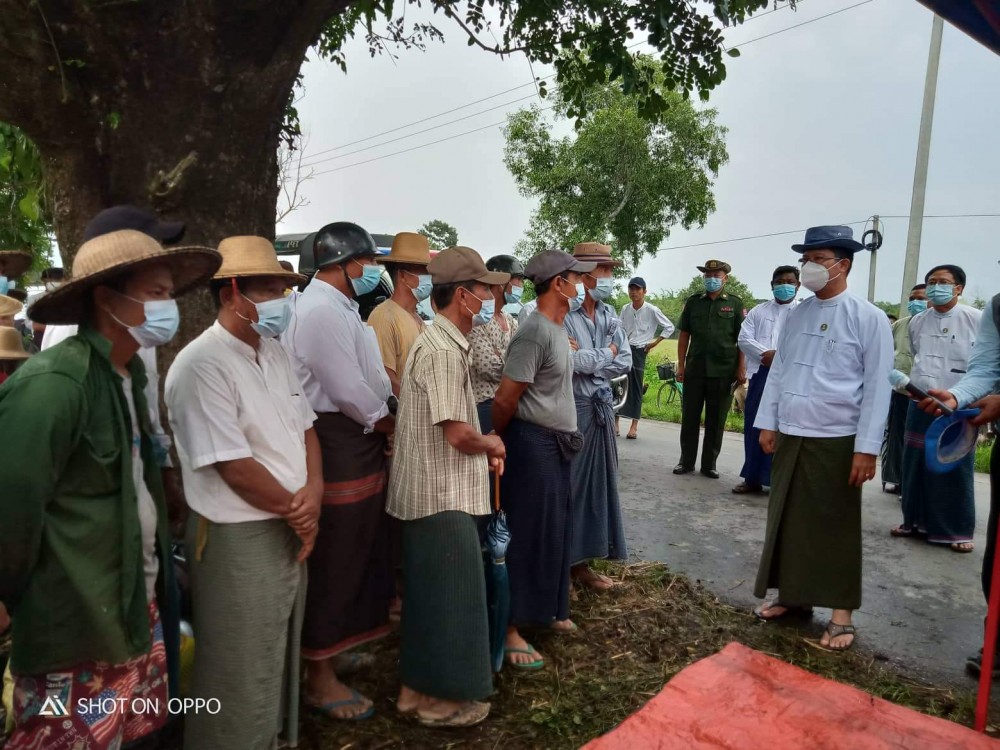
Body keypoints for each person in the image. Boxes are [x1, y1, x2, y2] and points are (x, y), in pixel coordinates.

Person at [0, 228, 220, 749]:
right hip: (74, 623)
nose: (168, 306)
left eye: (170, 293)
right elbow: (11, 508)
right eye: (155, 292)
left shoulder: (129, 376)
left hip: (131, 607)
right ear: (106, 299)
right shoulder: (56, 386)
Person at [165, 236, 320, 750]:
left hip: (288, 522)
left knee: (274, 646)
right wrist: (299, 513)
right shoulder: (201, 364)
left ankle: (268, 737)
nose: (282, 300)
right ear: (233, 291)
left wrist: (314, 494)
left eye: (283, 289)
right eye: (270, 290)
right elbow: (232, 465)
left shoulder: (273, 353)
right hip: (240, 535)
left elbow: (306, 429)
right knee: (238, 661)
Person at [752, 225, 893, 651]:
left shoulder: (868, 318)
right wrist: (768, 422)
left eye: (818, 259)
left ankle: (841, 615)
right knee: (788, 519)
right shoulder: (796, 314)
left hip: (837, 437)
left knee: (834, 526)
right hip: (791, 431)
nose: (809, 267)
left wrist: (867, 448)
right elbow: (780, 370)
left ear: (842, 265)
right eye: (806, 259)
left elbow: (878, 387)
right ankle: (793, 598)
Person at [388, 247, 508, 728]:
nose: (490, 297)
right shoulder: (441, 351)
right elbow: (457, 434)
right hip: (441, 497)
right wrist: (490, 441)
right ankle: (440, 700)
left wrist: (482, 444)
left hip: (435, 492)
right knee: (451, 601)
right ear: (462, 295)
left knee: (428, 598)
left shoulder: (443, 342)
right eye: (483, 290)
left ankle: (413, 692)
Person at [282, 221, 394, 720]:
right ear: (343, 264)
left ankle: (337, 647)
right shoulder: (321, 311)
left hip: (356, 436)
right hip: (337, 438)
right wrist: (388, 423)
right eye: (366, 262)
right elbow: (348, 390)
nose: (371, 270)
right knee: (337, 557)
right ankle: (318, 673)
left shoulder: (342, 306)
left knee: (357, 549)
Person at [492, 249, 594, 669]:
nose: (582, 285)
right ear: (558, 283)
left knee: (553, 531)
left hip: (555, 445)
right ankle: (511, 628)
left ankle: (548, 610)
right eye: (576, 278)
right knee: (527, 534)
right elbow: (505, 399)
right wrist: (496, 439)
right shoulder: (533, 332)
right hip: (532, 446)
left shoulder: (556, 328)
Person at [919, 290, 1000, 676]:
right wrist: (956, 396)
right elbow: (985, 369)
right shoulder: (998, 306)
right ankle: (998, 642)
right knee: (998, 557)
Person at [890, 265, 981, 552]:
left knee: (953, 464)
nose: (935, 287)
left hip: (959, 404)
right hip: (920, 401)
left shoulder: (976, 319)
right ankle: (912, 521)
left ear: (958, 288)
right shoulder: (917, 321)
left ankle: (957, 530)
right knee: (914, 462)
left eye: (943, 282)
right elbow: (917, 355)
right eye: (931, 282)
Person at [564, 242, 631, 591]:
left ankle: (584, 563)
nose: (609, 277)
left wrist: (593, 358)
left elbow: (626, 360)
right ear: (585, 274)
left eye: (610, 271)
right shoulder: (564, 313)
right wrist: (607, 352)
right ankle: (564, 564)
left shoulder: (610, 314)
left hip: (600, 405)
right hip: (573, 409)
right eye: (604, 271)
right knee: (571, 487)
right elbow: (568, 362)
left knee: (597, 488)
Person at [674, 259, 747, 478]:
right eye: (708, 275)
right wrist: (681, 365)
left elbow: (742, 340)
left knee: (716, 421)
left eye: (716, 275)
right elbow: (684, 335)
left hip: (724, 371)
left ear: (726, 278)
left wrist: (741, 368)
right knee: (690, 418)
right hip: (695, 369)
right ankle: (686, 462)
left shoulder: (735, 304)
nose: (711, 279)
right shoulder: (693, 302)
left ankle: (709, 464)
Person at [734, 266, 801, 494]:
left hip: (792, 375)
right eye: (780, 282)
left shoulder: (803, 312)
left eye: (790, 282)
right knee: (755, 425)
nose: (785, 286)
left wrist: (780, 357)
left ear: (798, 285)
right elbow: (744, 339)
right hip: (761, 373)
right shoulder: (758, 311)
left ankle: (780, 481)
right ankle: (752, 478)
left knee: (786, 428)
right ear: (772, 285)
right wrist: (766, 355)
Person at [368, 232, 432, 396]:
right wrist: (418, 403)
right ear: (403, 275)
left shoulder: (417, 318)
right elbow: (385, 378)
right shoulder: (384, 317)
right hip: (405, 410)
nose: (429, 278)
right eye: (424, 272)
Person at [881, 284, 928, 493]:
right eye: (912, 298)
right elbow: (887, 353)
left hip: (925, 394)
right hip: (900, 391)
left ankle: (915, 484)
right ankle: (897, 479)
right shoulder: (900, 325)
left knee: (919, 440)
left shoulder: (934, 325)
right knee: (897, 436)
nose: (915, 302)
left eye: (921, 298)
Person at [469, 254, 523, 433]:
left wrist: (500, 354)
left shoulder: (510, 320)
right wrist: (513, 362)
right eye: (517, 279)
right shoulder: (478, 320)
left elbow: (524, 361)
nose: (521, 285)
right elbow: (486, 366)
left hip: (509, 403)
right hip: (484, 405)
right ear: (501, 283)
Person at [617, 276, 674, 440]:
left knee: (636, 387)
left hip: (640, 350)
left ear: (644, 291)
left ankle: (634, 426)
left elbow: (669, 327)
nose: (634, 292)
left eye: (637, 289)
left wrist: (654, 343)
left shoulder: (651, 310)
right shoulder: (625, 309)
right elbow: (619, 328)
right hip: (624, 349)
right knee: (619, 384)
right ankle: (615, 423)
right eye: (631, 289)